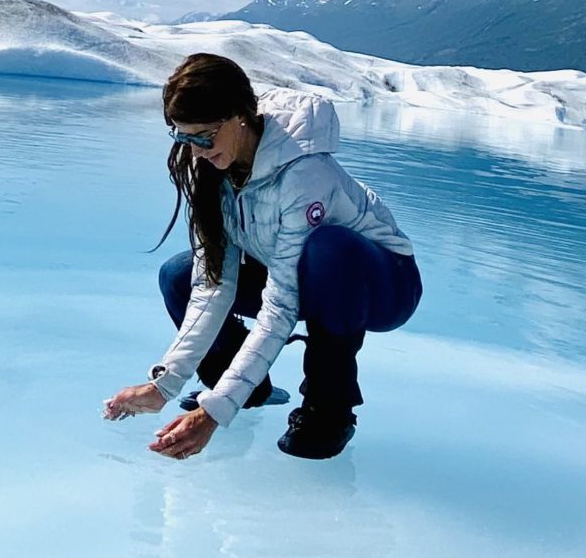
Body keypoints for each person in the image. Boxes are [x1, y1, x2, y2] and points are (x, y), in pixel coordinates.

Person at [102, 52, 422, 461]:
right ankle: (247, 388)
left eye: (203, 136)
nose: (196, 151)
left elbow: (282, 303)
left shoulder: (305, 176)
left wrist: (215, 414)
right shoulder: (216, 171)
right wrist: (164, 385)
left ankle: (329, 408)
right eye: (184, 138)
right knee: (180, 276)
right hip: (301, 277)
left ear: (239, 117)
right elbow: (211, 287)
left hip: (384, 286)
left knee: (329, 251)